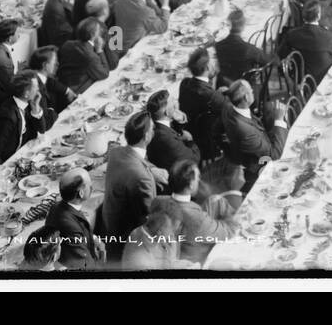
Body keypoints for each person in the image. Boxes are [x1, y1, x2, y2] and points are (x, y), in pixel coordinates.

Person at [147, 160, 238, 265]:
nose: (199, 180)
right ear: (190, 185)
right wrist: (234, 193)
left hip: (179, 245)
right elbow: (229, 232)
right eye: (198, 177)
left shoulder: (158, 200)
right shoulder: (198, 219)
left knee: (214, 200)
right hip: (195, 261)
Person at [101, 112, 160, 261]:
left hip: (111, 228)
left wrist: (151, 169)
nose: (154, 131)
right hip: (129, 242)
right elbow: (148, 217)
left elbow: (134, 162)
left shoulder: (116, 152)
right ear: (146, 137)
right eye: (152, 129)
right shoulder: (142, 177)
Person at [221, 81, 288, 193]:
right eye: (251, 91)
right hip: (259, 168)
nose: (253, 92)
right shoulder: (245, 131)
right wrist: (279, 120)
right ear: (246, 97)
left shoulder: (229, 107)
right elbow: (274, 156)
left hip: (257, 145)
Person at [0, 71, 51, 171]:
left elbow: (42, 129)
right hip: (8, 164)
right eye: (36, 87)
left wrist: (36, 108)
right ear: (26, 93)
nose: (38, 89)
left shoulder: (28, 104)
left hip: (23, 156)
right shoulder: (7, 116)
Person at [178, 46, 231, 159]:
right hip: (207, 140)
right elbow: (229, 109)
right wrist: (225, 94)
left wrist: (217, 94)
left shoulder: (184, 83)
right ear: (207, 67)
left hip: (190, 130)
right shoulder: (211, 96)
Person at [276, 3, 332, 83]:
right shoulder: (325, 35)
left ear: (303, 16)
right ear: (318, 16)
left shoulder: (291, 34)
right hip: (324, 76)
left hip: (301, 76)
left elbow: (280, 53)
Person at [57, 17, 111, 95]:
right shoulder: (91, 56)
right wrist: (100, 50)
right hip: (78, 89)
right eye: (98, 30)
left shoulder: (67, 44)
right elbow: (104, 73)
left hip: (63, 84)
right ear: (93, 34)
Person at [214, 10, 268, 86]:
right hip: (243, 88)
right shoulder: (248, 49)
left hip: (223, 86)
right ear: (243, 26)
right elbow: (265, 60)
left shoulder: (218, 46)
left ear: (229, 26)